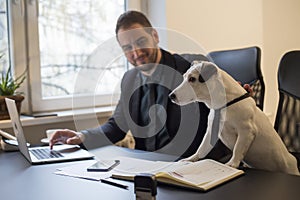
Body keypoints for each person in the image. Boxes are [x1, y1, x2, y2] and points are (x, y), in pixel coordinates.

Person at [50, 10, 245, 159]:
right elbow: (116, 126)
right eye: (127, 48)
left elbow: (226, 102)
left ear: (155, 36)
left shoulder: (192, 67)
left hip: (197, 167)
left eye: (141, 41)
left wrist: (234, 96)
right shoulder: (129, 80)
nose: (136, 52)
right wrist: (81, 136)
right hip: (151, 171)